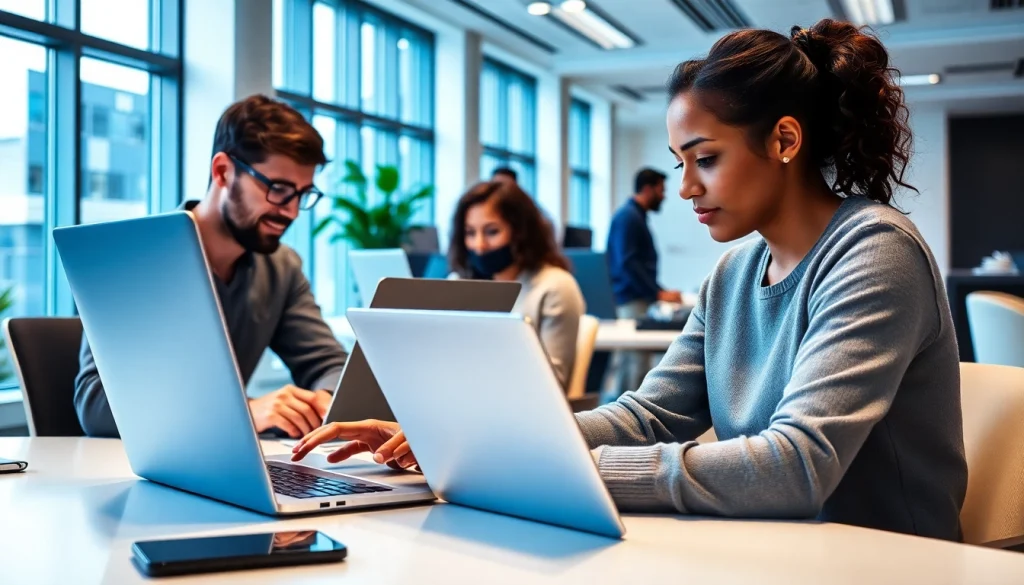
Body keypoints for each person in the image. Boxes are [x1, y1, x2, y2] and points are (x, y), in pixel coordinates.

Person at [292, 20, 969, 541]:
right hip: (776, 548)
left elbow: (795, 466)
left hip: (883, 560)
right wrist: (471, 439)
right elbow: (651, 416)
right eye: (679, 161)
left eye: (705, 158)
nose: (685, 187)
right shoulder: (734, 271)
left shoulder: (875, 251)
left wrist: (555, 471)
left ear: (785, 141)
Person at [74, 95, 349, 439]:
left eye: (302, 194)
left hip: (228, 462)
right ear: (222, 171)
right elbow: (96, 405)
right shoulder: (138, 258)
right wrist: (246, 412)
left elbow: (330, 366)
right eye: (278, 189)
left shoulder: (282, 267)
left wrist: (322, 403)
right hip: (135, 471)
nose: (291, 211)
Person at [448, 181, 585, 391]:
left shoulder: (555, 287)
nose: (480, 245)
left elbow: (551, 386)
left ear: (521, 231)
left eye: (492, 232)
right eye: (470, 233)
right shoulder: (458, 284)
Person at [606, 168, 684, 396]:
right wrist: (657, 294)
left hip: (636, 297)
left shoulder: (634, 216)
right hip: (631, 299)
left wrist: (659, 291)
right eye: (661, 190)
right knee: (634, 365)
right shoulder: (628, 218)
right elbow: (628, 264)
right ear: (648, 189)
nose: (664, 196)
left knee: (632, 364)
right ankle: (624, 426)